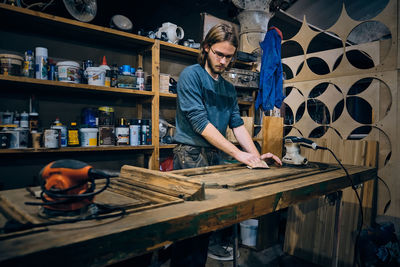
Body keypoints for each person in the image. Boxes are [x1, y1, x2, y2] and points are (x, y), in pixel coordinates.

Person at [170, 23, 282, 266]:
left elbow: (237, 125)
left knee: (206, 224)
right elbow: (200, 123)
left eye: (228, 57)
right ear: (206, 48)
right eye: (218, 54)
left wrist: (256, 155)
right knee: (188, 225)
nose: (223, 61)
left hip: (214, 154)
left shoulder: (228, 89)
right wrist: (239, 155)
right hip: (190, 153)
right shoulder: (191, 75)